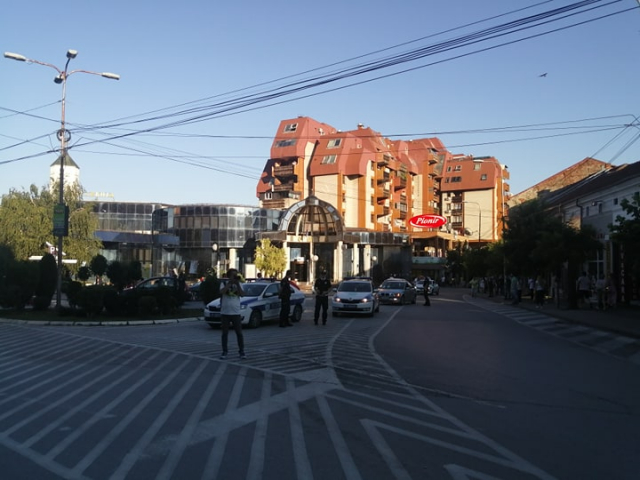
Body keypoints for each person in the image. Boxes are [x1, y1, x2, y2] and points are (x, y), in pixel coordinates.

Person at [219, 268, 246, 360]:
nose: (234, 277)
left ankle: (241, 351)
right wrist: (229, 283)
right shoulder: (223, 283)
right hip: (225, 312)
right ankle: (224, 351)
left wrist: (237, 284)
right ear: (229, 276)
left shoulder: (239, 284)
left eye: (236, 275)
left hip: (236, 312)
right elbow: (221, 292)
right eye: (233, 275)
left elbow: (242, 294)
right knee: (224, 333)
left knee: (239, 333)